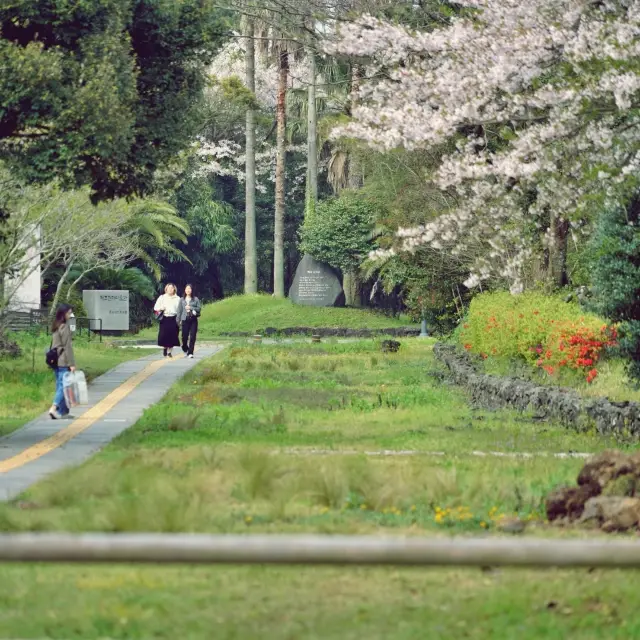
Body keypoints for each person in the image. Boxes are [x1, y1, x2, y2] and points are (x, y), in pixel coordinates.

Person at [48, 303, 76, 420]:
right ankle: (54, 408)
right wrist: (72, 364)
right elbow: (67, 346)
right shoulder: (64, 327)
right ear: (63, 314)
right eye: (69, 313)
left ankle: (63, 412)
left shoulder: (56, 326)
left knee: (61, 385)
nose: (70, 315)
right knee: (63, 385)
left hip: (55, 360)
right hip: (63, 361)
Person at [154, 283, 181, 357]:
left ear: (174, 289)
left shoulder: (178, 298)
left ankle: (169, 352)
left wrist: (180, 319)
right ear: (166, 289)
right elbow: (156, 308)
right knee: (164, 335)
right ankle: (165, 348)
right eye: (168, 288)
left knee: (173, 335)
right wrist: (161, 308)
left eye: (172, 288)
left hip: (174, 318)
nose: (170, 289)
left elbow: (180, 309)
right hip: (164, 318)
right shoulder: (162, 297)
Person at [178, 284, 202, 358]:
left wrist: (190, 307)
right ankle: (185, 347)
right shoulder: (182, 299)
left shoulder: (195, 299)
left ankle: (190, 352)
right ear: (185, 290)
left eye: (189, 289)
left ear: (191, 290)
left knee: (192, 336)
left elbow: (199, 308)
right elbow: (179, 310)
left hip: (193, 319)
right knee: (184, 337)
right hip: (184, 319)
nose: (188, 290)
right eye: (187, 289)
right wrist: (178, 320)